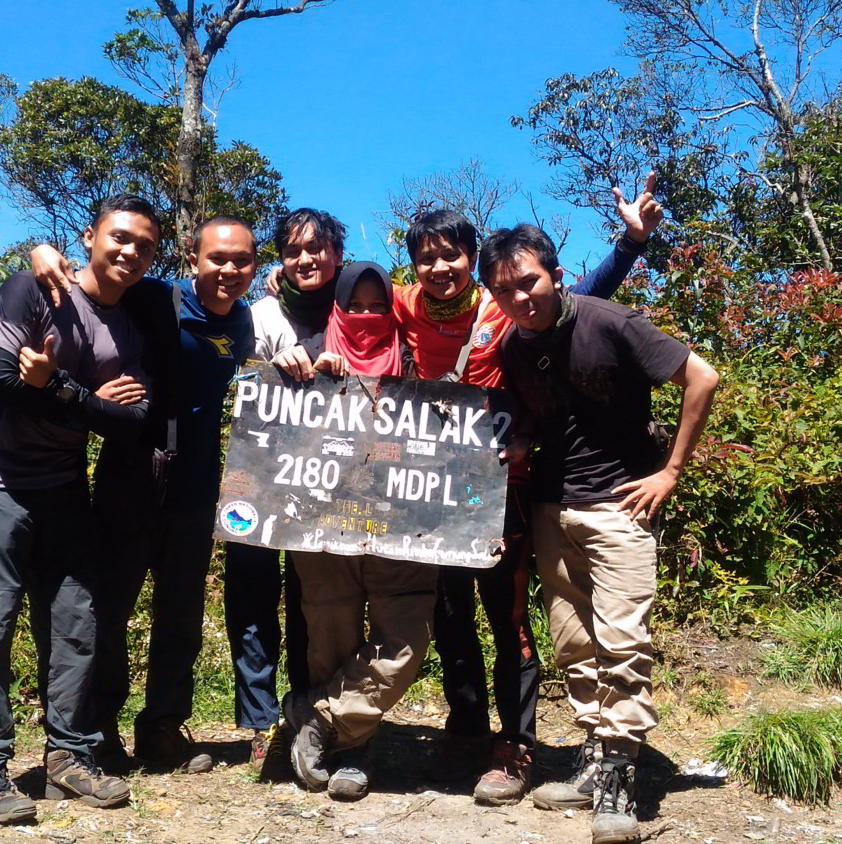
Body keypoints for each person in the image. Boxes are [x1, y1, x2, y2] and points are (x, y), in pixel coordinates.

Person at [401, 176, 663, 806]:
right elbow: (346, 310)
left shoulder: (503, 307)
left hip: (506, 490)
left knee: (510, 621)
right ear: (412, 266)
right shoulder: (403, 305)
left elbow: (578, 296)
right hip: (428, 491)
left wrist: (630, 244)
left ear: (473, 260)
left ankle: (515, 746)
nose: (439, 268)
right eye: (426, 258)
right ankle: (466, 730)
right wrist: (280, 283)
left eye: (451, 255)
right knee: (449, 617)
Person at [482, 223, 718, 843]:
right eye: (504, 291)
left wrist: (671, 472)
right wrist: (523, 442)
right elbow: (543, 416)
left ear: (556, 275)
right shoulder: (514, 347)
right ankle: (594, 760)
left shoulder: (610, 322)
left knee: (622, 642)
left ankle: (620, 780)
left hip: (620, 507)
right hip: (551, 507)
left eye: (528, 282)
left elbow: (702, 377)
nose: (519, 298)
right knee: (574, 644)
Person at [0, 195, 160, 824]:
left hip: (65, 490)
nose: (130, 252)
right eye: (120, 237)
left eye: (145, 246)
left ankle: (70, 756)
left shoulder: (130, 327)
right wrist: (90, 401)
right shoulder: (32, 290)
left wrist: (59, 387)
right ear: (89, 236)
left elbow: (133, 422)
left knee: (76, 624)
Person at [28, 217, 259, 775]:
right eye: (217, 258)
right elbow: (93, 288)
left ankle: (161, 728)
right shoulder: (156, 296)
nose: (228, 270)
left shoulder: (244, 321)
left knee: (181, 611)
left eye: (242, 260)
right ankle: (99, 729)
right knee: (109, 606)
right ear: (192, 258)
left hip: (198, 478)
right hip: (133, 469)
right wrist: (41, 252)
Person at [283, 262, 431, 802]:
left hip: (405, 524)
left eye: (377, 306)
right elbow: (270, 418)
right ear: (338, 308)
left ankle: (316, 715)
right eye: (356, 306)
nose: (367, 317)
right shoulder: (310, 352)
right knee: (331, 631)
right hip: (325, 521)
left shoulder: (415, 357)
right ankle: (352, 750)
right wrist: (299, 373)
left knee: (406, 638)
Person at [223, 208, 347, 767]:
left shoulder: (355, 310)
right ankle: (258, 719)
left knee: (312, 603)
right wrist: (271, 364)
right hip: (257, 479)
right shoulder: (260, 313)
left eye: (316, 249)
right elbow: (234, 376)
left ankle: (308, 709)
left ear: (336, 254)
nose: (305, 259)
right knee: (251, 598)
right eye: (293, 251)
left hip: (328, 485)